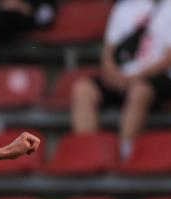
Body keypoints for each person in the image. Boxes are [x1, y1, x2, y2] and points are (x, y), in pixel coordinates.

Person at [71, 0, 171, 160]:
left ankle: (126, 155)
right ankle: (89, 153)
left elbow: (168, 57)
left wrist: (134, 78)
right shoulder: (125, 7)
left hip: (157, 78)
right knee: (83, 89)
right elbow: (108, 51)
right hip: (123, 77)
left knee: (139, 91)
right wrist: (113, 73)